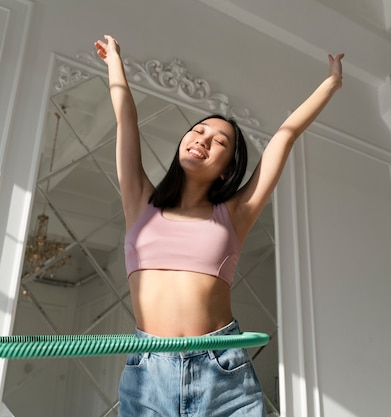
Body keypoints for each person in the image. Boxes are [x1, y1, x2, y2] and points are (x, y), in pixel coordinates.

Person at [94, 34, 343, 417]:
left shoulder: (235, 213)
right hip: (149, 372)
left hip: (221, 371)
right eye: (198, 131)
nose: (203, 139)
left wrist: (329, 84)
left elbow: (285, 136)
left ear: (228, 167)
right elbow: (126, 116)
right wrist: (114, 63)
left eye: (219, 141)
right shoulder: (139, 200)